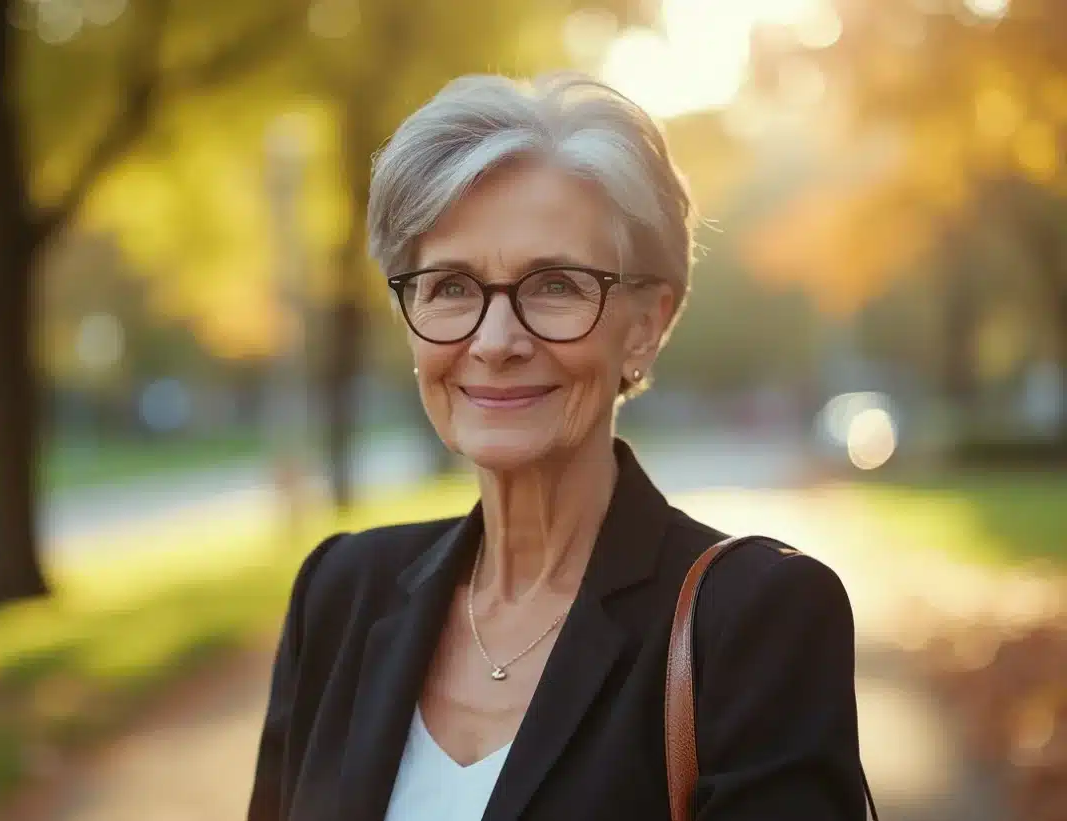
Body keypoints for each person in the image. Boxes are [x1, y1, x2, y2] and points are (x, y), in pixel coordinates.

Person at [247, 72, 869, 821]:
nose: (496, 340)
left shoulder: (754, 622)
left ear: (645, 323)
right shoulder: (340, 593)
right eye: (449, 286)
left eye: (555, 285)